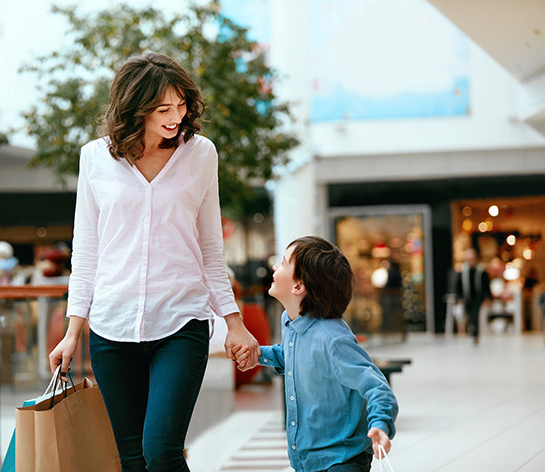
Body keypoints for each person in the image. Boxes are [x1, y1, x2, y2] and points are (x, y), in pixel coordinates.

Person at [48, 52, 259, 472]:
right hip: (111, 327)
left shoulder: (201, 154)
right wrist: (74, 331)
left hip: (181, 322)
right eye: (163, 109)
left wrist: (234, 322)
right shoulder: (94, 158)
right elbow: (86, 251)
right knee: (131, 459)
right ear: (134, 109)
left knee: (161, 452)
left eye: (181, 105)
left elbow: (210, 250)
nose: (175, 116)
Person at [235, 236, 398, 472]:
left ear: (298, 287)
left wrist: (380, 424)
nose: (274, 267)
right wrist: (258, 354)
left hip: (342, 460)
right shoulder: (291, 323)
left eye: (282, 263)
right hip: (308, 461)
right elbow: (294, 356)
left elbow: (377, 387)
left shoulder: (333, 339)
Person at [455, 247, 492, 344]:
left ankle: (475, 334)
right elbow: (458, 286)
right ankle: (471, 331)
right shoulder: (463, 272)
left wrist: (488, 298)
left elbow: (486, 286)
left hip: (478, 297)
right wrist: (458, 298)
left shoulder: (481, 271)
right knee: (469, 315)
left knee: (475, 315)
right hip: (467, 297)